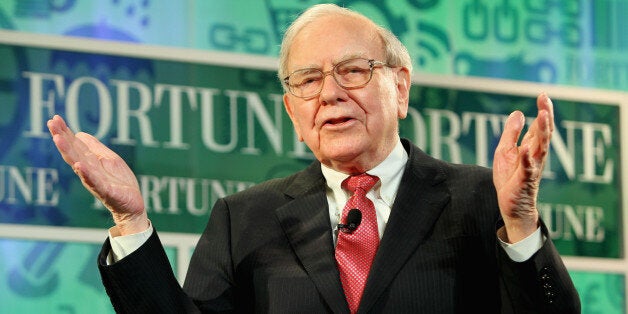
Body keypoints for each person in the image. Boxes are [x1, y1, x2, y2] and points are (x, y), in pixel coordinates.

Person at [47, 3, 580, 313]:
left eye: (351, 70)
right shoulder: (243, 219)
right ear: (292, 110)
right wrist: (130, 220)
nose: (328, 93)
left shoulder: (482, 200)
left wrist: (523, 222)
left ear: (400, 87)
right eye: (307, 80)